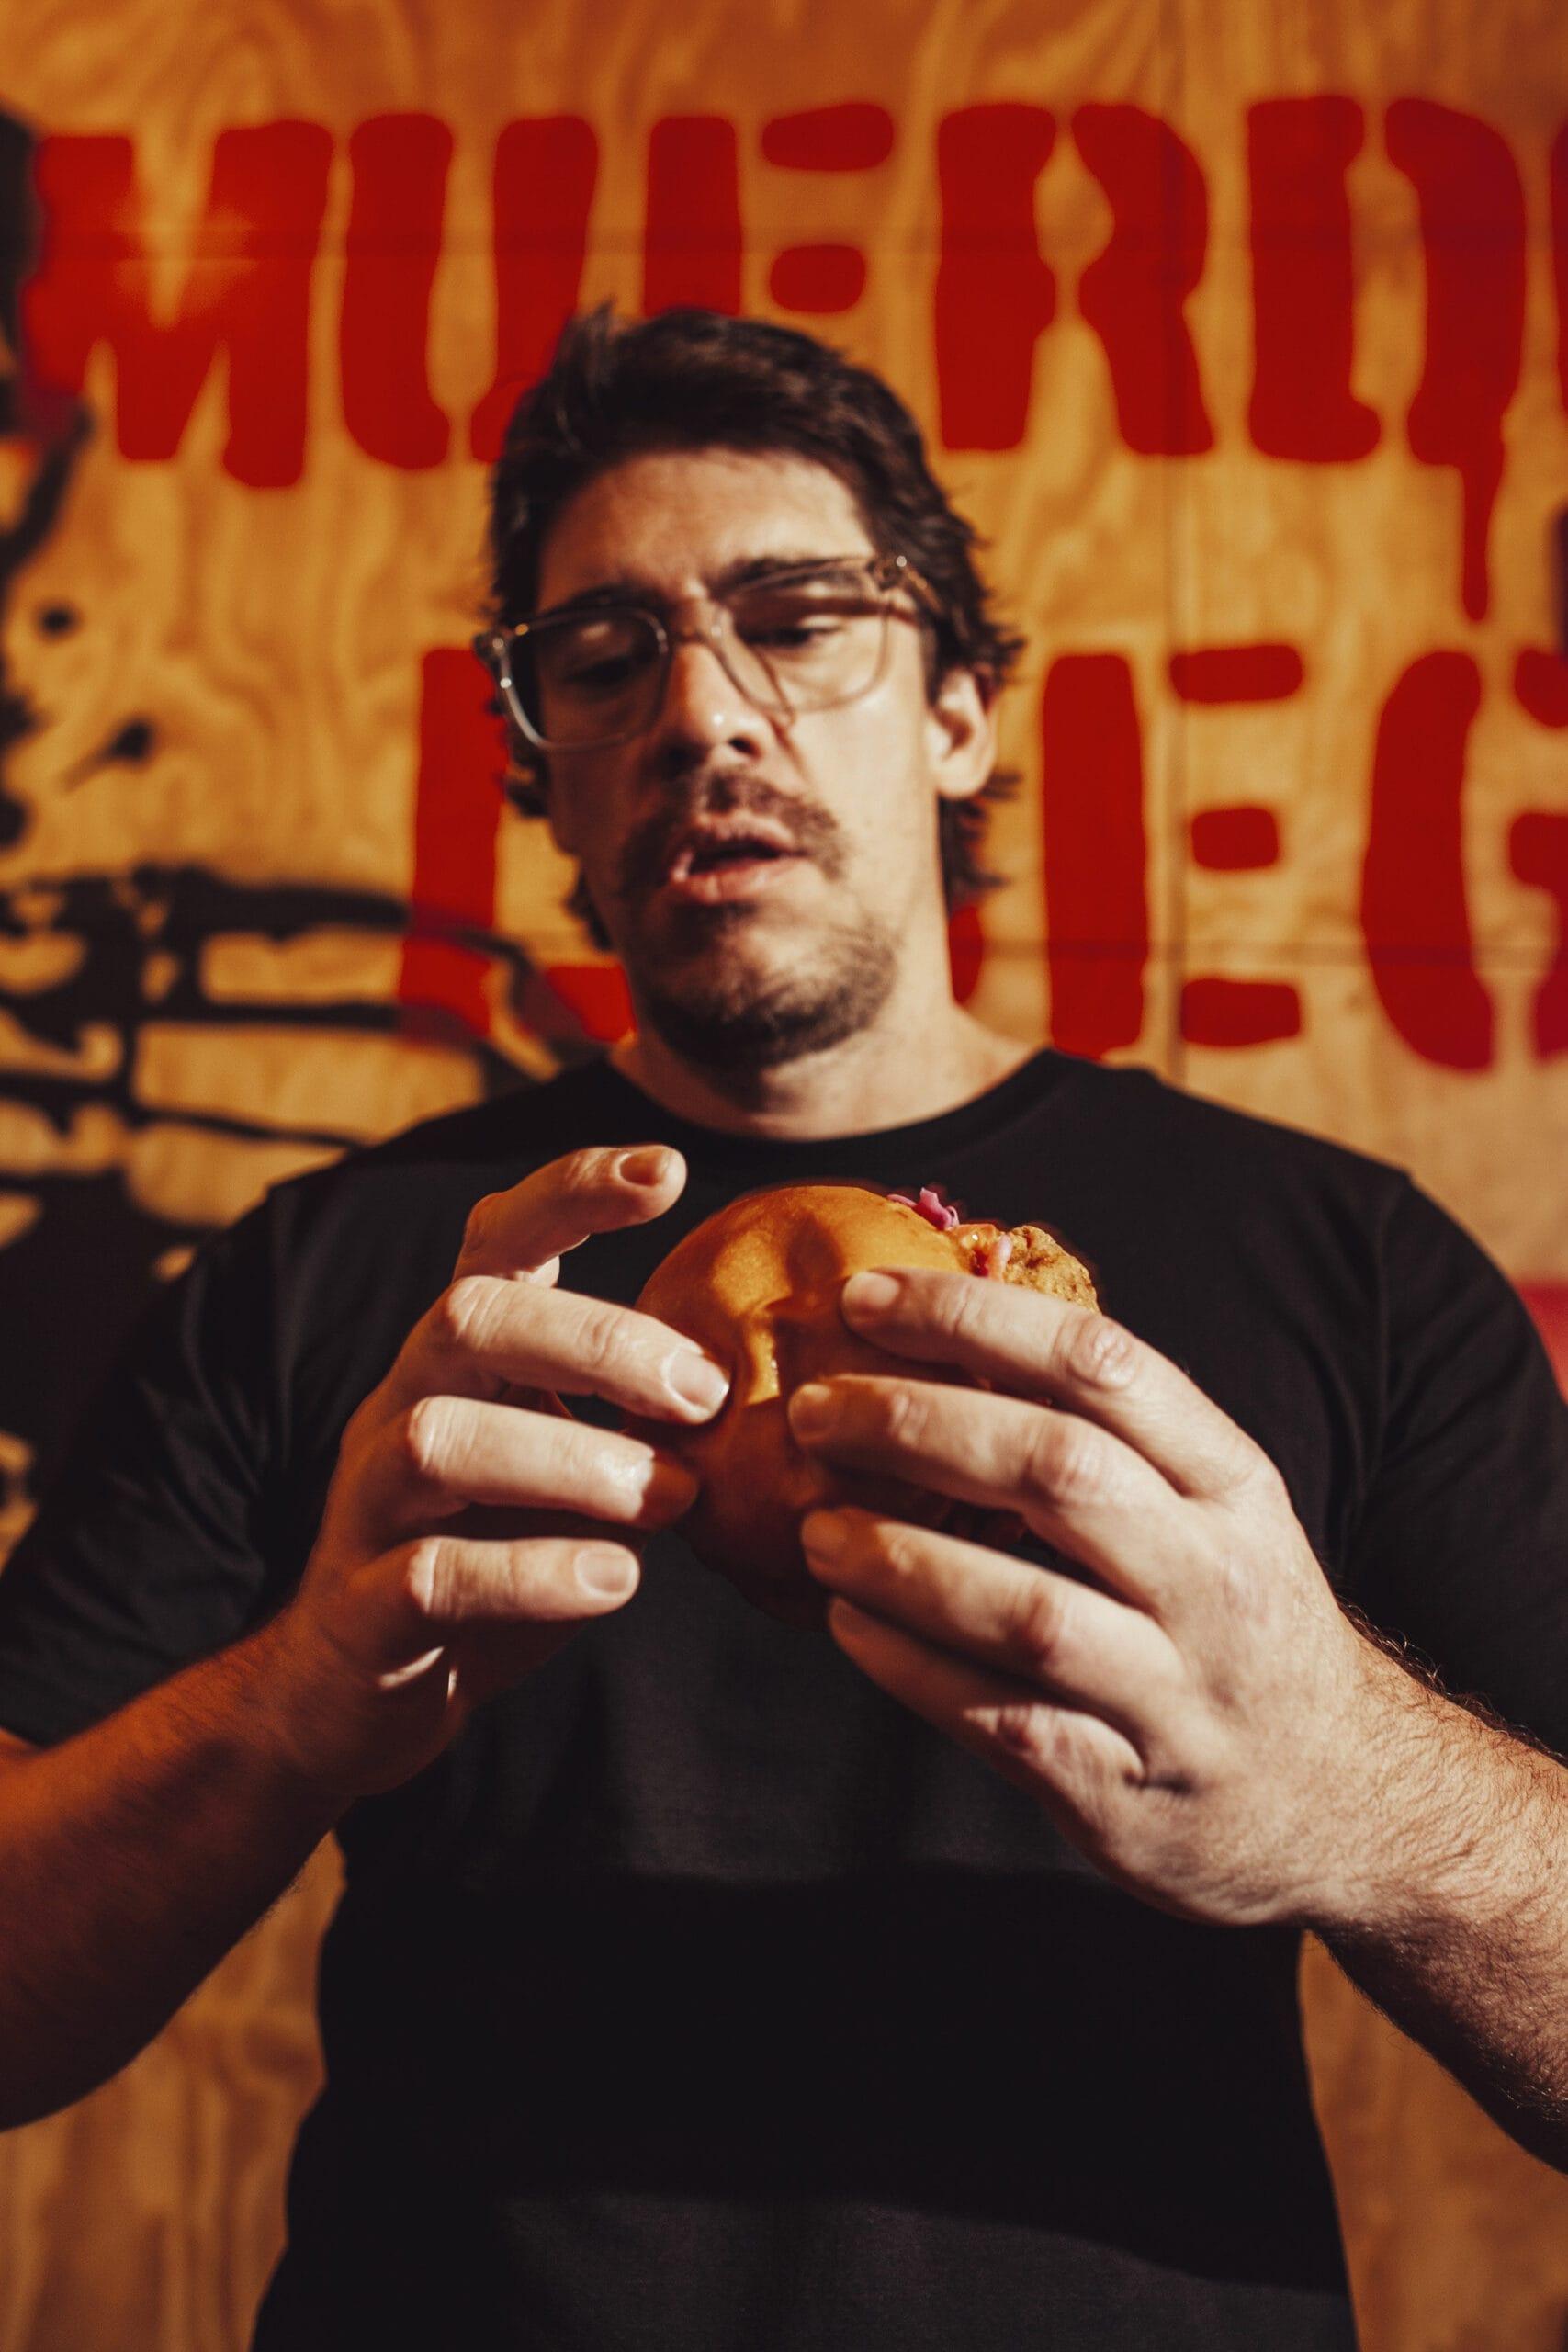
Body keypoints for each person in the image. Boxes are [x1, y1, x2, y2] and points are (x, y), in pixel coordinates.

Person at [0, 306, 1564, 2352]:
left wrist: (1348, 1781)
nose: (704, 715)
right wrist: (289, 1705)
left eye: (799, 619)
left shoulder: (1337, 1262)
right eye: (604, 656)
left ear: (958, 713)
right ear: (547, 774)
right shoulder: (340, 1280)